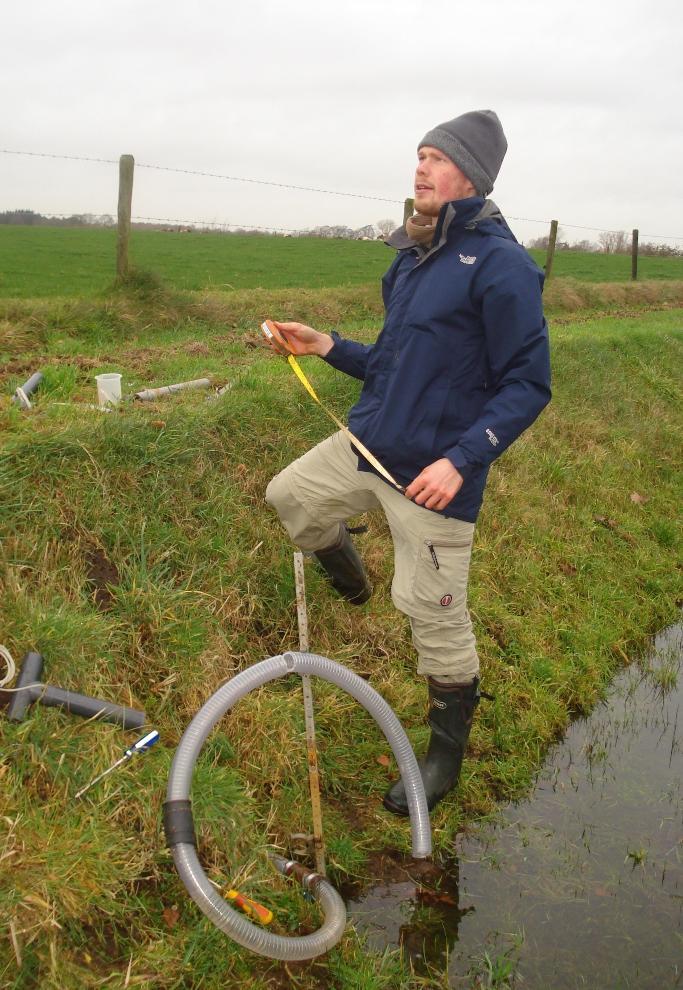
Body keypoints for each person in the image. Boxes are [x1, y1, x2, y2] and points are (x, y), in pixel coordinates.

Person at [265, 110, 551, 816]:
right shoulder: (413, 256)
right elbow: (393, 364)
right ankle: (350, 573)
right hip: (368, 445)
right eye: (418, 155)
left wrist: (460, 461)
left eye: (435, 157)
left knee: (433, 615)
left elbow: (527, 383)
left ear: (469, 176)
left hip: (434, 481)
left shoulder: (502, 266)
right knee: (289, 497)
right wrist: (325, 345)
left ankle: (443, 757)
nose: (419, 168)